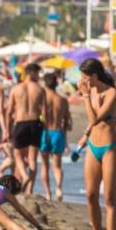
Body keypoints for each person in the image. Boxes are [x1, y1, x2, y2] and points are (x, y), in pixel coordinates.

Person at [72, 59, 116, 230]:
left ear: (94, 76)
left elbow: (94, 118)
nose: (82, 81)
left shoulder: (111, 94)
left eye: (85, 77)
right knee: (90, 195)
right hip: (93, 145)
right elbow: (91, 125)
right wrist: (85, 136)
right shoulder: (91, 91)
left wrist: (85, 96)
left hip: (110, 147)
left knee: (109, 197)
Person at [8, 62, 46, 193]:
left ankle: (24, 176)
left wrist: (7, 129)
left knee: (17, 154)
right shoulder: (40, 89)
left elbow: (8, 111)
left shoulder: (16, 89)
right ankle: (30, 189)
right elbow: (44, 113)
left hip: (21, 123)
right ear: (32, 73)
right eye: (37, 73)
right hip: (36, 123)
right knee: (32, 159)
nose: (39, 76)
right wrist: (44, 128)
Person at [39, 72, 71, 201]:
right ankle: (58, 187)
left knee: (45, 165)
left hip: (45, 132)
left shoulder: (42, 100)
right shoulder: (62, 100)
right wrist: (66, 140)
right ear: (56, 83)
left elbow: (39, 117)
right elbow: (66, 121)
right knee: (57, 166)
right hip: (58, 132)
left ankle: (47, 193)